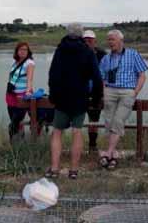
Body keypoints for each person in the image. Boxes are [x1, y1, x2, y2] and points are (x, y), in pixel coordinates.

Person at [46, 23, 103, 179]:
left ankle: (54, 168)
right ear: (81, 35)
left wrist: (53, 95)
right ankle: (73, 170)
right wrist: (96, 98)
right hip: (80, 98)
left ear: (67, 33)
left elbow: (53, 75)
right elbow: (97, 78)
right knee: (77, 132)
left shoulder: (60, 50)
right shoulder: (88, 51)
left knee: (57, 132)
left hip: (61, 99)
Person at [98, 30, 148, 170]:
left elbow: (142, 75)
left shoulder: (133, 54)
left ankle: (107, 153)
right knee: (109, 122)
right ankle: (113, 155)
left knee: (118, 121)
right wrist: (104, 91)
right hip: (110, 91)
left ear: (121, 40)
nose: (110, 42)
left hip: (127, 92)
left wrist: (135, 92)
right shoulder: (106, 58)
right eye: (108, 40)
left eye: (112, 39)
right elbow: (101, 77)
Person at [5, 42, 35, 141]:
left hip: (21, 96)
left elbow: (30, 79)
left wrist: (28, 91)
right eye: (21, 49)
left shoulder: (29, 63)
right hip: (11, 94)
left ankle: (13, 143)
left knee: (15, 122)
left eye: (25, 49)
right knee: (14, 120)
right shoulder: (14, 62)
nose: (23, 51)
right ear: (17, 51)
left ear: (28, 51)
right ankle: (18, 142)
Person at [83, 30, 107, 153]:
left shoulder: (102, 54)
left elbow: (108, 72)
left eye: (90, 40)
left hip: (97, 93)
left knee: (93, 120)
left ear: (95, 41)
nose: (87, 42)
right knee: (77, 119)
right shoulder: (77, 53)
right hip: (81, 92)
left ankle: (92, 146)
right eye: (85, 40)